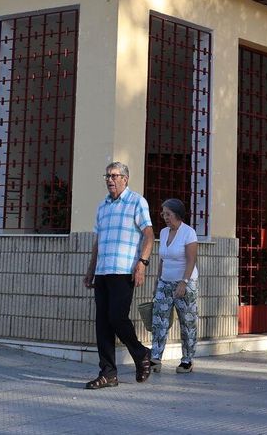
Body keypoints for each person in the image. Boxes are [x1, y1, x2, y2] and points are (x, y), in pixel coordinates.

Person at [82, 161, 154, 389]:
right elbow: (98, 241)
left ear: (125, 179)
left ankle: (140, 353)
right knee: (102, 323)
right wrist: (91, 270)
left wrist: (142, 263)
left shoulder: (136, 202)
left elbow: (149, 234)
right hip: (103, 271)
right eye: (107, 176)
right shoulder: (102, 206)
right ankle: (108, 373)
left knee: (117, 317)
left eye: (114, 176)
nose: (110, 180)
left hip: (124, 270)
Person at [149, 198, 199, 374]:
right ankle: (155, 358)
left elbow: (191, 260)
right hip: (165, 282)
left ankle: (187, 360)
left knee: (187, 322)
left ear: (177, 214)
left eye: (168, 214)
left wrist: (184, 283)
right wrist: (157, 281)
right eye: (163, 214)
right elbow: (162, 259)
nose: (165, 217)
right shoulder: (163, 232)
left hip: (185, 283)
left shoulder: (188, 232)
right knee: (159, 320)